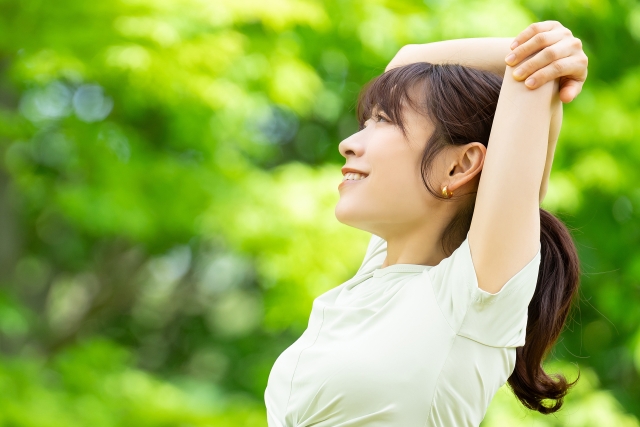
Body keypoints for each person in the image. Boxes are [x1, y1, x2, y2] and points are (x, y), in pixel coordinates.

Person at [264, 20, 588, 427]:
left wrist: (542, 53)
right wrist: (531, 50)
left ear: (460, 165)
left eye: (383, 121)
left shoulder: (470, 296)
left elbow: (529, 82)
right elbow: (406, 62)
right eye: (367, 122)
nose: (349, 142)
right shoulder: (378, 279)